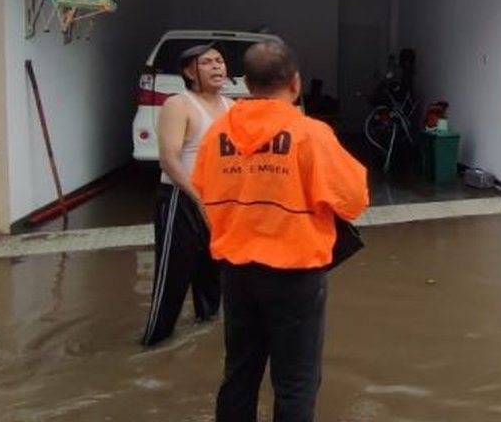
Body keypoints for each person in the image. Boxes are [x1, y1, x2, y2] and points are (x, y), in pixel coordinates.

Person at [192, 40, 369, 422]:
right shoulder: (310, 134)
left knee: (239, 374)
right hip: (296, 275)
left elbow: (203, 191)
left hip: (237, 273)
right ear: (296, 82)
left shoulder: (217, 133)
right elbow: (354, 201)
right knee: (295, 382)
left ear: (248, 84)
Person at [141, 43, 230, 346]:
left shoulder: (231, 107)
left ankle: (204, 338)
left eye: (219, 61)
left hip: (218, 205)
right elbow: (168, 159)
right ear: (190, 72)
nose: (217, 66)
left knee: (212, 279)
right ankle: (153, 345)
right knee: (172, 282)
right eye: (207, 62)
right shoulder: (178, 104)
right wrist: (198, 198)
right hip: (181, 199)